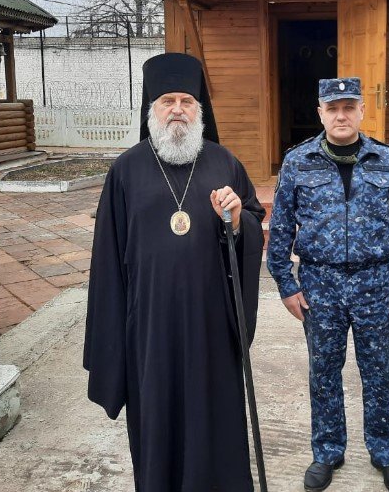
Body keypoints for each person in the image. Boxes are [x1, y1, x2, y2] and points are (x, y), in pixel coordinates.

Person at [83, 52, 265, 492]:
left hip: (210, 327)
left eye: (187, 100)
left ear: (200, 111)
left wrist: (239, 221)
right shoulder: (125, 171)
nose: (178, 109)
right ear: (152, 110)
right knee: (157, 420)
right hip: (149, 329)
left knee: (214, 420)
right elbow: (107, 259)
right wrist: (112, 342)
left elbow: (253, 227)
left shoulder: (226, 164)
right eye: (168, 101)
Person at [267, 77, 389, 492]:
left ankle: (387, 454)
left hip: (376, 283)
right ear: (320, 112)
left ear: (361, 111)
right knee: (323, 373)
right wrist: (286, 284)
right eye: (332, 108)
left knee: (379, 373)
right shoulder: (298, 162)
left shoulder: (386, 161)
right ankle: (327, 451)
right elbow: (280, 229)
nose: (341, 115)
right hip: (320, 285)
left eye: (349, 107)